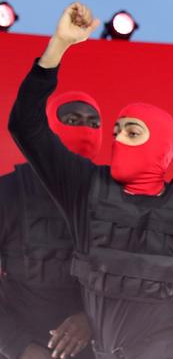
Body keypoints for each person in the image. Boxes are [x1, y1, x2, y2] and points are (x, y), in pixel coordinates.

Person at [8, 3, 173, 358]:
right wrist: (59, 45)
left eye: (133, 132)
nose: (118, 141)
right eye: (117, 132)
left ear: (161, 146)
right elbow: (25, 125)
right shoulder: (86, 190)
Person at [1, 91, 99, 359]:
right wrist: (19, 348)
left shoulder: (112, 198)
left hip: (96, 347)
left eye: (94, 124)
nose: (85, 131)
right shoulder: (8, 193)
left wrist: (92, 318)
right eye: (73, 120)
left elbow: (131, 277)